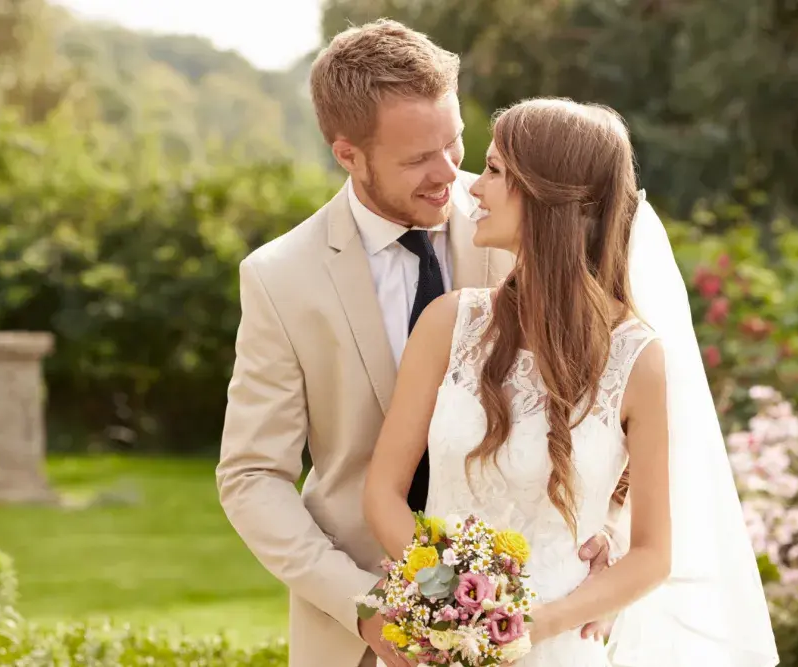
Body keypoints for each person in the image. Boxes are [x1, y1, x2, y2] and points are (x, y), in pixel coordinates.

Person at [215, 21, 622, 667]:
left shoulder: (520, 220)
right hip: (359, 638)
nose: (448, 175)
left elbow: (610, 390)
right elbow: (251, 476)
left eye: (455, 142)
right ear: (347, 154)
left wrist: (610, 532)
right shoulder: (280, 277)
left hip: (534, 623)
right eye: (415, 160)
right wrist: (364, 604)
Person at [363, 98, 780, 666]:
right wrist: (449, 601)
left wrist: (523, 624)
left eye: (493, 171)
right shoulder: (449, 324)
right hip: (441, 649)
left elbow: (653, 554)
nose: (473, 190)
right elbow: (382, 493)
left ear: (544, 196)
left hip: (556, 649)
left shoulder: (638, 359)